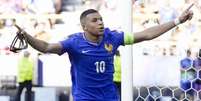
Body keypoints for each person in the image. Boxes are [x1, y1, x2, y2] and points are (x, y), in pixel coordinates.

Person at [15, 3, 193, 100]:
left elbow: (146, 34)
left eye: (101, 19)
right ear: (84, 26)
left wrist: (177, 21)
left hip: (109, 97)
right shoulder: (74, 43)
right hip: (85, 99)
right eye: (95, 20)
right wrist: (27, 36)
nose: (100, 22)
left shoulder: (112, 38)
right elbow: (46, 47)